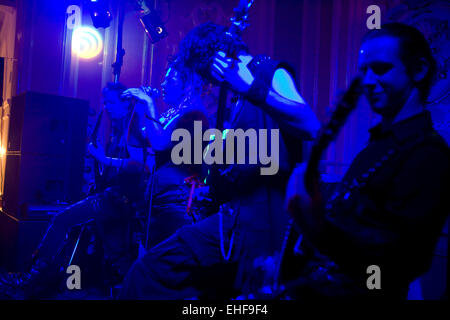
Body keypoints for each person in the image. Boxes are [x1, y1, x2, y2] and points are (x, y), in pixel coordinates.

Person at [119, 22, 320, 299]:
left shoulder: (269, 73)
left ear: (216, 62)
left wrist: (250, 88)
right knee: (152, 272)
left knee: (156, 274)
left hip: (265, 222)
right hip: (235, 218)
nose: (207, 84)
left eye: (204, 75)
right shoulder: (235, 97)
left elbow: (310, 125)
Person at [284, 23, 450, 299]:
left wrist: (317, 228)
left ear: (419, 70)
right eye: (364, 71)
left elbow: (397, 263)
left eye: (381, 69)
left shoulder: (429, 155)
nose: (368, 81)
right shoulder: (378, 145)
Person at [0, 82, 150, 299]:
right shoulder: (119, 128)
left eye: (111, 102)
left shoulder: (132, 127)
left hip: (119, 199)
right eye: (105, 102)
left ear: (126, 103)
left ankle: (29, 279)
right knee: (115, 253)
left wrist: (104, 159)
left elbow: (139, 164)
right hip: (115, 197)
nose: (106, 107)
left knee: (62, 220)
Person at [121, 58, 212, 249]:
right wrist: (138, 108)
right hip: (161, 198)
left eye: (170, 80)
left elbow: (160, 143)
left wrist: (151, 105)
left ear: (187, 86)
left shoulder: (194, 115)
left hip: (177, 201)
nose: (162, 84)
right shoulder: (172, 115)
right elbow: (136, 141)